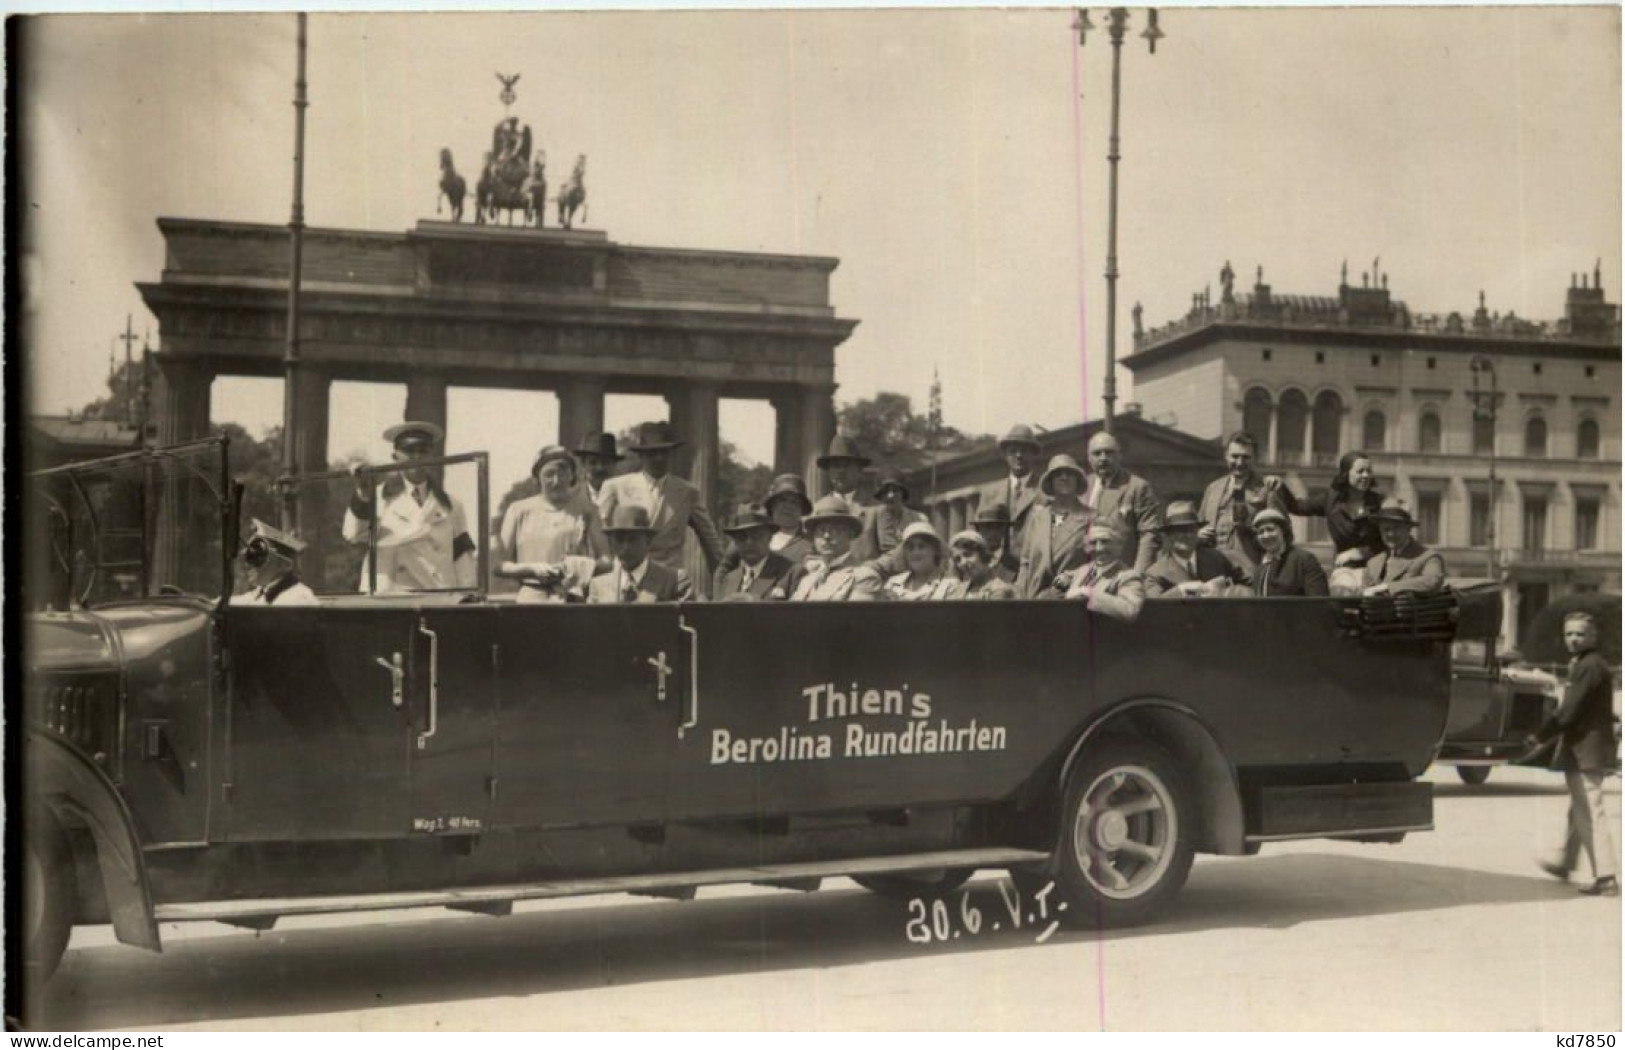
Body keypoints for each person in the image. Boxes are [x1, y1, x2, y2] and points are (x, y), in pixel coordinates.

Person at [1533, 612, 1619, 897]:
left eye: (1580, 634)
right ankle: (1566, 863)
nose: (1573, 639)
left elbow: (1569, 710)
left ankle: (1606, 876)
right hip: (1585, 747)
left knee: (1589, 811)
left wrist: (1539, 735)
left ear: (1593, 637)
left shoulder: (1589, 666)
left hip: (1587, 749)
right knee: (1579, 810)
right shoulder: (1586, 664)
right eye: (1569, 633)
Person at [343, 421, 477, 593]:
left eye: (423, 451)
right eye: (409, 451)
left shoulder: (451, 505)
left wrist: (468, 598)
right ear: (395, 457)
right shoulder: (375, 497)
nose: (416, 457)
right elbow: (353, 534)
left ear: (432, 457)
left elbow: (462, 559)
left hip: (437, 597)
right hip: (390, 599)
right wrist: (363, 494)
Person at [596, 421, 726, 576]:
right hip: (626, 577)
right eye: (652, 453)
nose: (659, 458)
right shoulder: (616, 487)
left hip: (669, 580)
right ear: (641, 455)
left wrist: (726, 578)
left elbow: (710, 540)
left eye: (664, 453)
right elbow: (598, 534)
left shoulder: (687, 492)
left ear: (672, 454)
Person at [495, 445, 609, 603]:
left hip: (573, 597)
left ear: (572, 476)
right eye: (549, 474)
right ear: (537, 478)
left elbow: (608, 561)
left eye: (562, 473)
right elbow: (499, 565)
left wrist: (579, 567)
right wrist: (531, 569)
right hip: (531, 597)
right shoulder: (518, 510)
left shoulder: (588, 511)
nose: (556, 481)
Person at [1267, 450, 1385, 591]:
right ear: (1346, 473)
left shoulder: (1380, 503)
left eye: (1368, 471)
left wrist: (1362, 552)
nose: (1366, 476)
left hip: (1377, 567)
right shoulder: (1331, 500)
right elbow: (1298, 507)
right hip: (1345, 570)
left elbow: (1390, 540)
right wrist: (1281, 486)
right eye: (1360, 471)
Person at [1197, 431, 1288, 580]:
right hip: (1212, 571)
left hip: (1250, 571)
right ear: (1226, 456)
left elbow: (1284, 535)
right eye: (1235, 456)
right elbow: (1198, 524)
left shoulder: (1267, 488)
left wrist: (1249, 529)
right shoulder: (1212, 488)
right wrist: (1198, 534)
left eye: (1246, 457)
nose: (1239, 463)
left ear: (1255, 459)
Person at [1083, 431, 1164, 572]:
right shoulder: (1082, 486)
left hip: (1122, 573)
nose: (1103, 458)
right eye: (1097, 453)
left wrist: (1137, 576)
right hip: (1086, 574)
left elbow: (1149, 536)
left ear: (1119, 456)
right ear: (1089, 458)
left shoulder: (1137, 487)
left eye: (1109, 453)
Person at [1014, 454, 1092, 599]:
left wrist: (1074, 579)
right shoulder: (1038, 518)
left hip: (1073, 600)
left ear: (1078, 480)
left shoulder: (1091, 517)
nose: (1064, 477)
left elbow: (1101, 563)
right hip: (1036, 601)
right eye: (1057, 474)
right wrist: (1020, 596)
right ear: (1050, 482)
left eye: (1070, 473)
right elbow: (1025, 562)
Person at [587, 505, 692, 603]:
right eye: (619, 540)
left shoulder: (673, 581)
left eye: (633, 540)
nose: (626, 548)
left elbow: (690, 621)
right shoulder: (598, 587)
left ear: (648, 541)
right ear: (611, 543)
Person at [1144, 500, 1249, 598]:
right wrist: (1181, 590)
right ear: (1168, 535)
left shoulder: (1218, 558)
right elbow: (1155, 607)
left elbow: (1247, 586)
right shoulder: (1156, 574)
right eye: (1180, 530)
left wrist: (1227, 592)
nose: (1187, 535)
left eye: (1191, 529)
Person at [789, 494, 883, 601]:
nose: (827, 536)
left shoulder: (864, 577)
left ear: (849, 534)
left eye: (835, 529)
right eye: (821, 530)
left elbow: (857, 617)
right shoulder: (807, 580)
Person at [982, 424, 1046, 553]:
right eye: (1013, 450)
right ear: (1005, 454)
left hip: (1033, 565)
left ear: (1033, 454)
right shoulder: (990, 493)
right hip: (998, 566)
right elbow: (980, 535)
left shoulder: (1045, 490)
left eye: (1024, 450)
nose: (1018, 455)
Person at [1361, 499, 1446, 596]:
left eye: (1396, 528)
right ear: (1380, 531)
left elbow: (1432, 580)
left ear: (1408, 529)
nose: (1391, 534)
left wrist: (1388, 587)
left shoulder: (1428, 558)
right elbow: (1365, 595)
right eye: (1386, 529)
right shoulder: (1373, 564)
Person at [1063, 523, 1145, 622]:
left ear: (1119, 545)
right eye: (1093, 543)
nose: (1099, 548)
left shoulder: (1128, 577)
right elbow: (1066, 579)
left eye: (1105, 542)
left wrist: (1088, 594)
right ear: (1086, 547)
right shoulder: (1083, 570)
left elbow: (1130, 610)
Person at [713, 504, 797, 601]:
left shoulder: (790, 573)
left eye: (756, 535)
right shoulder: (729, 579)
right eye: (742, 537)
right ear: (735, 542)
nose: (749, 542)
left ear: (769, 537)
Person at [231, 519, 317, 606]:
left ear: (282, 564)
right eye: (249, 557)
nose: (248, 564)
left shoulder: (298, 599)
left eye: (258, 556)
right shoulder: (260, 593)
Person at [855, 468, 928, 566]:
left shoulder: (919, 518)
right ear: (880, 495)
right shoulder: (868, 517)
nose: (890, 495)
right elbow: (865, 555)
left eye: (895, 490)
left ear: (903, 493)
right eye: (885, 491)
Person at [1250, 508, 1329, 597]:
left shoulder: (1304, 561)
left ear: (1283, 531)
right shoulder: (1261, 568)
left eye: (1270, 529)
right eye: (1261, 532)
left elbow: (1319, 602)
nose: (1266, 535)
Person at [881, 521, 956, 601]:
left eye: (922, 546)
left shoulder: (950, 585)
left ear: (935, 550)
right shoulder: (892, 584)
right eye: (910, 548)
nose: (916, 553)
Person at [946, 530, 1016, 600]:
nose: (963, 562)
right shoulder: (960, 589)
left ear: (983, 555)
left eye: (968, 555)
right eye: (958, 559)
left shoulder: (998, 590)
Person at [763, 473, 815, 565]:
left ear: (802, 508)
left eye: (794, 502)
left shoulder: (812, 543)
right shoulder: (753, 535)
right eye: (783, 500)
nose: (788, 506)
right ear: (772, 505)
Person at [972, 502, 1020, 584]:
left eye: (998, 527)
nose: (993, 533)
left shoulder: (1015, 564)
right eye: (987, 526)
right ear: (978, 530)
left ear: (1005, 530)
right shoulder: (969, 562)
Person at [817, 434, 871, 504]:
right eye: (836, 465)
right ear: (829, 471)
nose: (841, 471)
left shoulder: (875, 510)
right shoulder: (819, 509)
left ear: (859, 471)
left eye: (847, 465)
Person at [574, 431, 623, 504]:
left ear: (615, 465)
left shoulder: (626, 498)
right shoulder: (572, 497)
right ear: (583, 465)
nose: (600, 468)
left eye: (606, 462)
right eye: (593, 462)